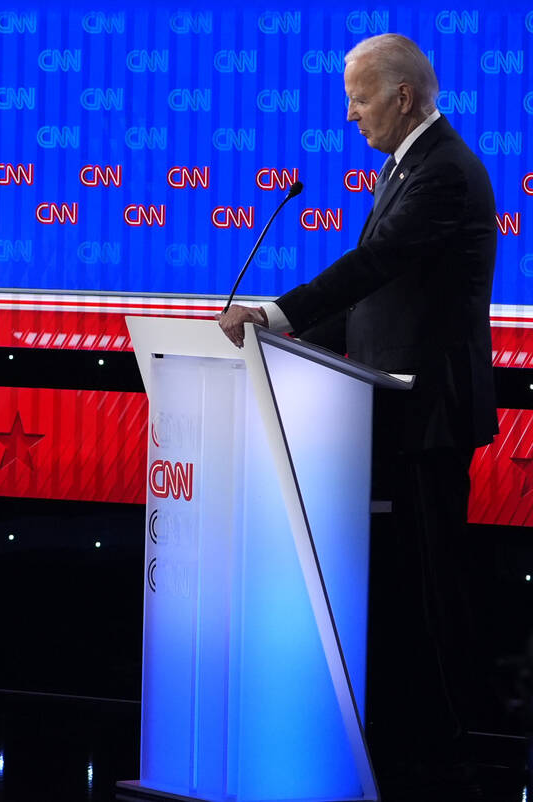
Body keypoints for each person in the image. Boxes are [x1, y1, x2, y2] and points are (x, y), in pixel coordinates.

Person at [219, 33, 497, 794]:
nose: (349, 114)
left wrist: (277, 315)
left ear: (402, 96)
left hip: (428, 411)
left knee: (436, 584)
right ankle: (411, 739)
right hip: (392, 413)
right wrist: (291, 340)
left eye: (360, 98)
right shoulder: (405, 168)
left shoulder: (443, 172)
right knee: (406, 585)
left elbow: (372, 267)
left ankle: (454, 752)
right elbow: (379, 301)